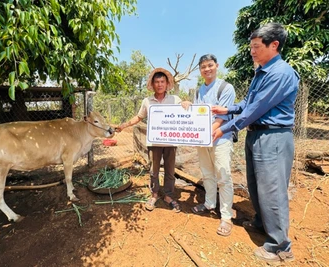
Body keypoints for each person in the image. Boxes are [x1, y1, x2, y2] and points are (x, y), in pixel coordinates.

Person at [211, 22, 299, 263]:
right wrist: (227, 108)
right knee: (256, 184)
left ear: (274, 45)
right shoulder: (262, 71)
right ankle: (262, 224)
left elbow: (255, 110)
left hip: (273, 137)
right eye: (251, 46)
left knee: (272, 189)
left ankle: (280, 246)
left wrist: (225, 127)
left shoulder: (281, 73)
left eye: (256, 46)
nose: (252, 51)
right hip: (257, 135)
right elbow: (248, 102)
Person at [181, 54, 236, 236]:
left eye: (210, 65)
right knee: (207, 173)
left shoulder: (225, 88)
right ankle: (209, 203)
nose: (207, 69)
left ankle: (226, 216)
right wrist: (187, 104)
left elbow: (222, 117)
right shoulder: (199, 91)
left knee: (223, 175)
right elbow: (196, 114)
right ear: (200, 70)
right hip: (203, 139)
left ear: (216, 66)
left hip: (220, 138)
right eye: (203, 67)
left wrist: (207, 133)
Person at [116, 68, 182, 212]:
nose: (159, 84)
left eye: (162, 82)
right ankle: (154, 194)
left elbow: (185, 113)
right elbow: (139, 117)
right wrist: (124, 125)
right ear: (152, 84)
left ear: (167, 84)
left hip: (171, 142)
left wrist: (188, 104)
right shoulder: (147, 101)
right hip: (154, 142)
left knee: (170, 171)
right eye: (157, 82)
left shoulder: (175, 100)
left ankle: (169, 196)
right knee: (154, 170)